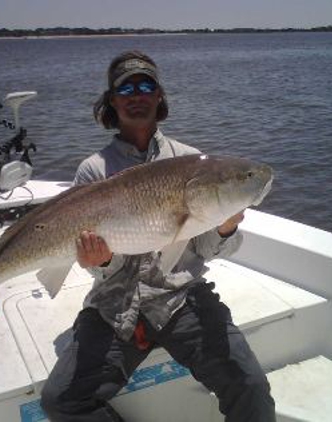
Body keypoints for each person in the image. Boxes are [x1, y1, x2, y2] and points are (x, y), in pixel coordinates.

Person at [41, 50, 276, 422]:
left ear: (159, 96)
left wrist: (226, 226)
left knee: (250, 387)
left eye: (146, 85)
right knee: (60, 401)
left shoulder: (191, 160)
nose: (137, 94)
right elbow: (98, 265)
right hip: (115, 305)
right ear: (113, 101)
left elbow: (204, 248)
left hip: (181, 298)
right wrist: (99, 261)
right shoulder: (94, 170)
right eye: (126, 87)